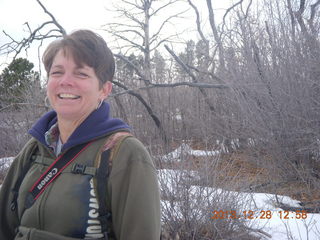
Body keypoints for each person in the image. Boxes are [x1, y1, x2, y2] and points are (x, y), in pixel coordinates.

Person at [0, 29, 161, 240]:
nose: (65, 81)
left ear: (104, 89)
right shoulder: (34, 148)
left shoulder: (124, 154)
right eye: (57, 72)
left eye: (81, 73)